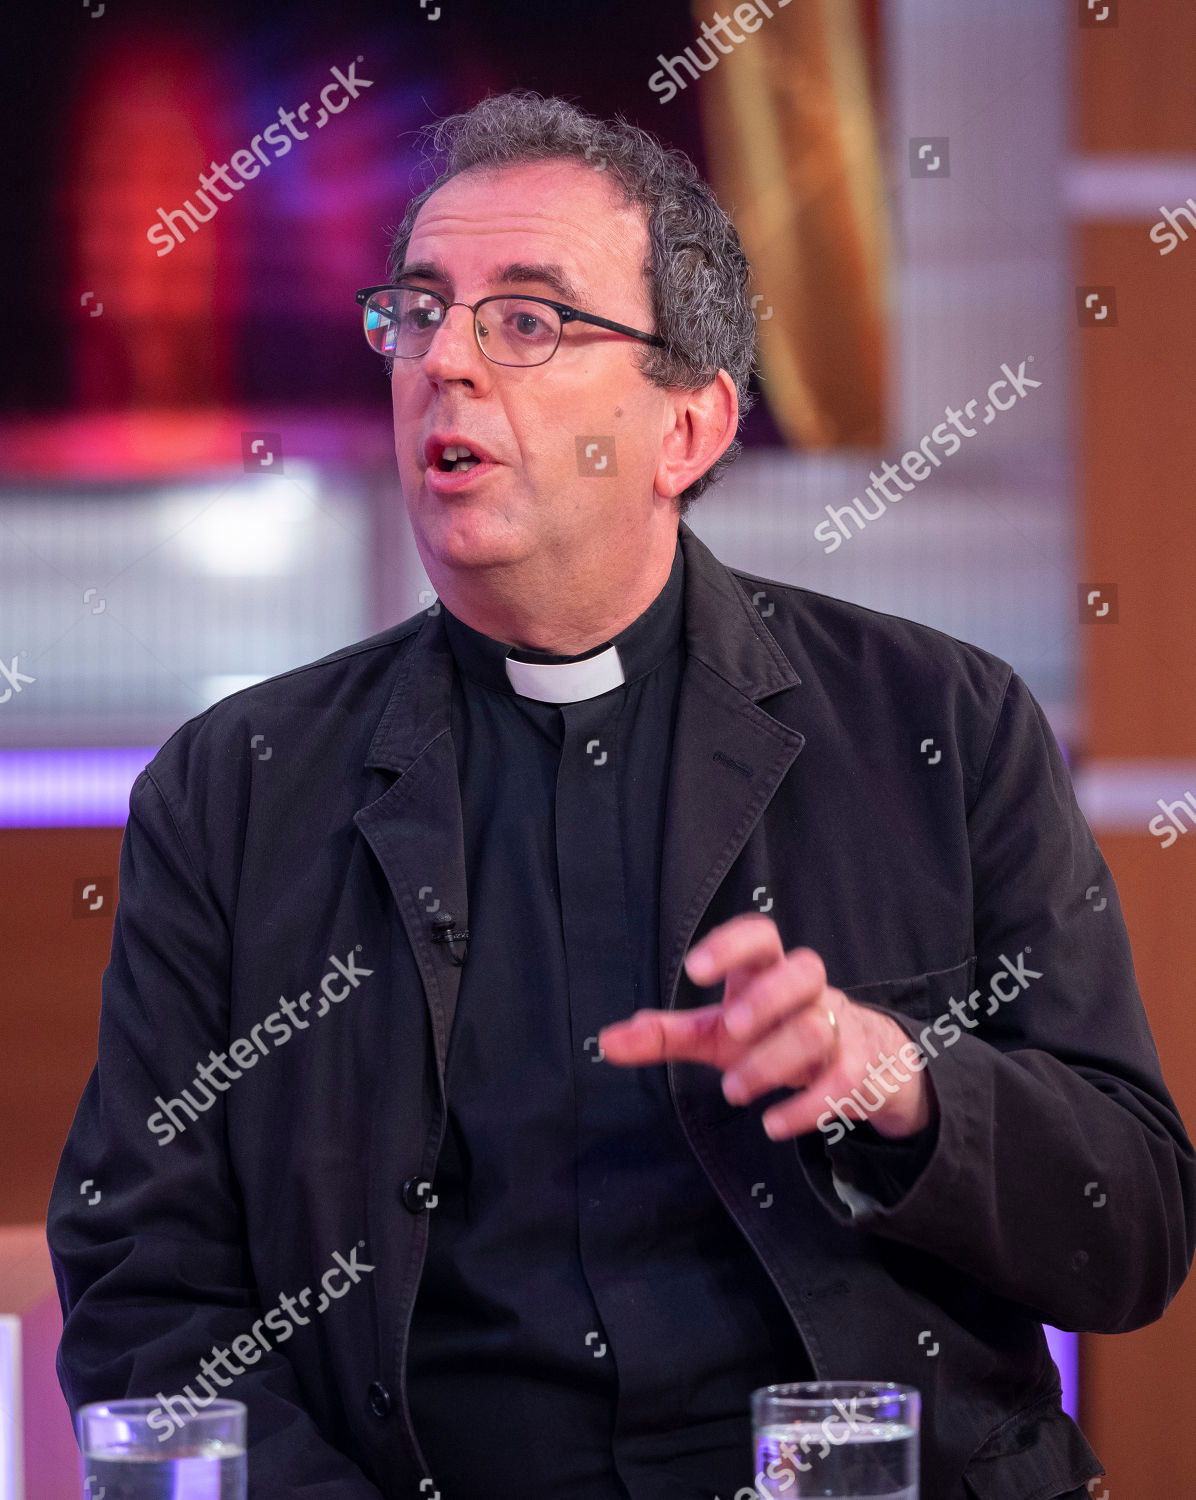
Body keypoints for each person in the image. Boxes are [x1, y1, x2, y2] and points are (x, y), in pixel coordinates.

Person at [48, 89, 1193, 1500]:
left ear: (689, 429)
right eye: (416, 312)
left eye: (525, 321)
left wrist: (904, 1082)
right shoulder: (234, 792)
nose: (444, 364)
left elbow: (1131, 1232)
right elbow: (140, 1288)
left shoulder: (939, 727)